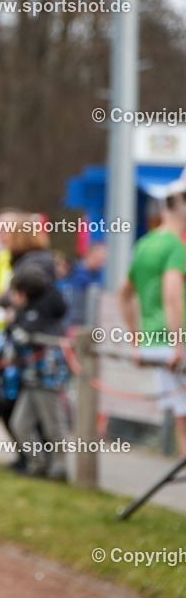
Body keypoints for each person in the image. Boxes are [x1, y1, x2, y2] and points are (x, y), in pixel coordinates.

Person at [120, 180, 186, 458]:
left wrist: (136, 340)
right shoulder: (176, 248)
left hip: (154, 342)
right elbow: (172, 295)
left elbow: (124, 294)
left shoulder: (145, 244)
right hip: (176, 344)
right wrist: (178, 343)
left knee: (182, 419)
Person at [4, 267, 69, 479]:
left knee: (53, 425)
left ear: (24, 293)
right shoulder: (25, 313)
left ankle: (60, 468)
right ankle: (37, 463)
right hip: (30, 378)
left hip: (47, 380)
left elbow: (25, 337)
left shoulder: (44, 314)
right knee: (20, 424)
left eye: (15, 292)